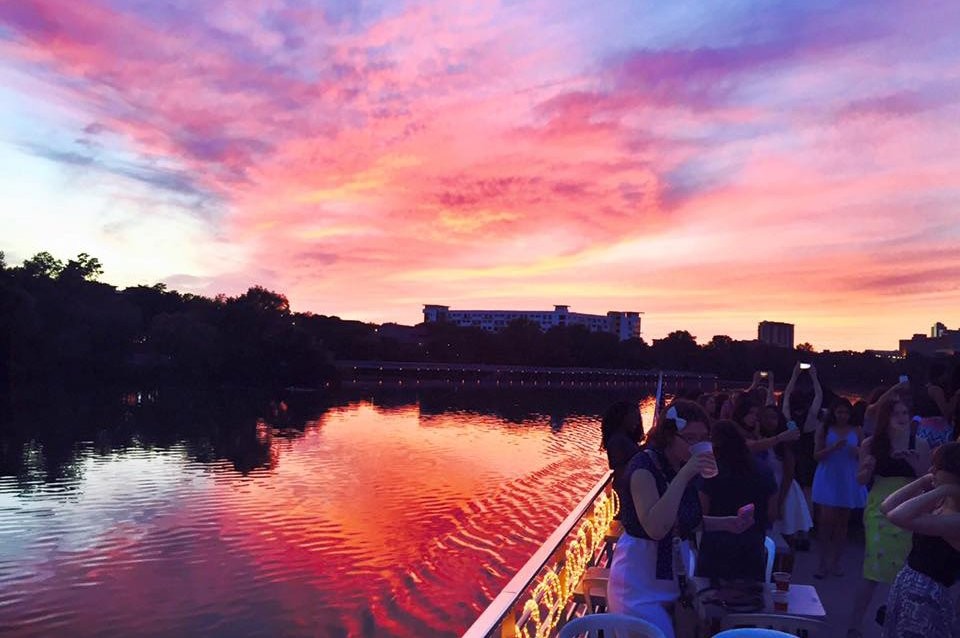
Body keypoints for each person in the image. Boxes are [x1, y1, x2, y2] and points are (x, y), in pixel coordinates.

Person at [607, 400, 751, 638]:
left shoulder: (679, 465)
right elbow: (656, 528)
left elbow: (681, 520)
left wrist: (729, 523)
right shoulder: (644, 467)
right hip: (638, 584)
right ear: (669, 436)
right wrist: (684, 475)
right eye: (690, 438)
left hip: (672, 582)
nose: (698, 444)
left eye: (704, 437)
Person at [848, 399, 931, 637]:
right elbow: (860, 480)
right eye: (896, 413)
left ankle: (897, 623)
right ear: (885, 417)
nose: (902, 418)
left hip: (910, 507)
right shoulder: (871, 444)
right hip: (880, 508)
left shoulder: (920, 443)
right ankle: (854, 625)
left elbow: (928, 484)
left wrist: (915, 466)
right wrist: (867, 468)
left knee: (904, 570)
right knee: (873, 566)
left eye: (905, 412)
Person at [880, 442, 960, 638]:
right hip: (906, 587)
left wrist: (943, 490)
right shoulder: (941, 502)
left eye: (937, 467)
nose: (931, 470)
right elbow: (887, 506)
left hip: (929, 598)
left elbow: (898, 516)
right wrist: (924, 480)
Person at [697, 420, 778, 581]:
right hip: (752, 545)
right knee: (750, 592)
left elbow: (701, 512)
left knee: (709, 592)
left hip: (715, 547)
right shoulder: (764, 470)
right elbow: (772, 513)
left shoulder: (710, 471)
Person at [812, 398, 867, 579]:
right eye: (839, 412)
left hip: (848, 476)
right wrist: (833, 448)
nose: (843, 416)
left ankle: (836, 562)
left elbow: (866, 453)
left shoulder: (857, 430)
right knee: (825, 521)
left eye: (846, 412)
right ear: (833, 413)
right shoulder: (825, 428)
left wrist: (858, 452)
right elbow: (816, 455)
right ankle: (821, 562)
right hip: (829, 475)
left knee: (843, 523)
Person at [757, 405, 812, 544]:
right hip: (762, 489)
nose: (769, 421)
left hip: (784, 489)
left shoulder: (786, 444)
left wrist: (779, 502)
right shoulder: (758, 440)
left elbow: (789, 474)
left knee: (785, 535)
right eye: (766, 417)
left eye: (773, 417)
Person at [600, 400, 643, 515]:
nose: (637, 421)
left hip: (630, 491)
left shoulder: (625, 438)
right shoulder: (617, 441)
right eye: (634, 417)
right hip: (624, 495)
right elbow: (621, 469)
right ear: (623, 418)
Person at [913, 362, 955, 448]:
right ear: (940, 374)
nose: (947, 377)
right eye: (945, 374)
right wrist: (956, 398)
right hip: (937, 428)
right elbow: (946, 411)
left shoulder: (924, 388)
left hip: (923, 427)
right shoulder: (936, 390)